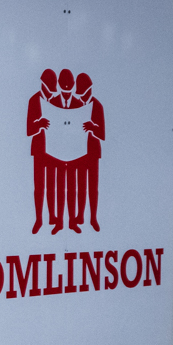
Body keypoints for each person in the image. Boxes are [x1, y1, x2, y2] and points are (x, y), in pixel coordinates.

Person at [71, 71, 105, 232]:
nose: (82, 96)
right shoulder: (76, 105)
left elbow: (103, 134)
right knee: (80, 186)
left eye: (83, 92)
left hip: (92, 152)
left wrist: (93, 127)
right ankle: (80, 216)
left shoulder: (97, 106)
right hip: (78, 152)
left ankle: (93, 218)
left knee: (92, 187)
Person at [27, 69, 56, 233]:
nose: (51, 91)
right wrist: (39, 123)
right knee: (39, 187)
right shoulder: (34, 100)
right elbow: (28, 130)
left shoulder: (56, 101)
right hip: (39, 150)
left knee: (52, 185)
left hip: (54, 150)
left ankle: (52, 217)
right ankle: (39, 219)